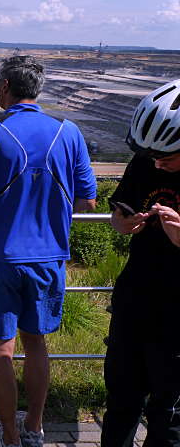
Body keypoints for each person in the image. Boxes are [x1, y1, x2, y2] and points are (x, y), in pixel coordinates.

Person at [0, 56, 97, 447]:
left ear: (5, 87)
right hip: (49, 255)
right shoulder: (67, 131)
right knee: (36, 344)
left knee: (1, 348)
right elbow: (87, 201)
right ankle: (35, 427)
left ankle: (9, 434)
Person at [101, 78, 180, 446]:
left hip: (177, 317)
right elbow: (120, 213)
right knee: (121, 400)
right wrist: (123, 223)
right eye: (152, 157)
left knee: (169, 413)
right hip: (136, 299)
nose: (158, 165)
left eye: (168, 158)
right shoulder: (147, 158)